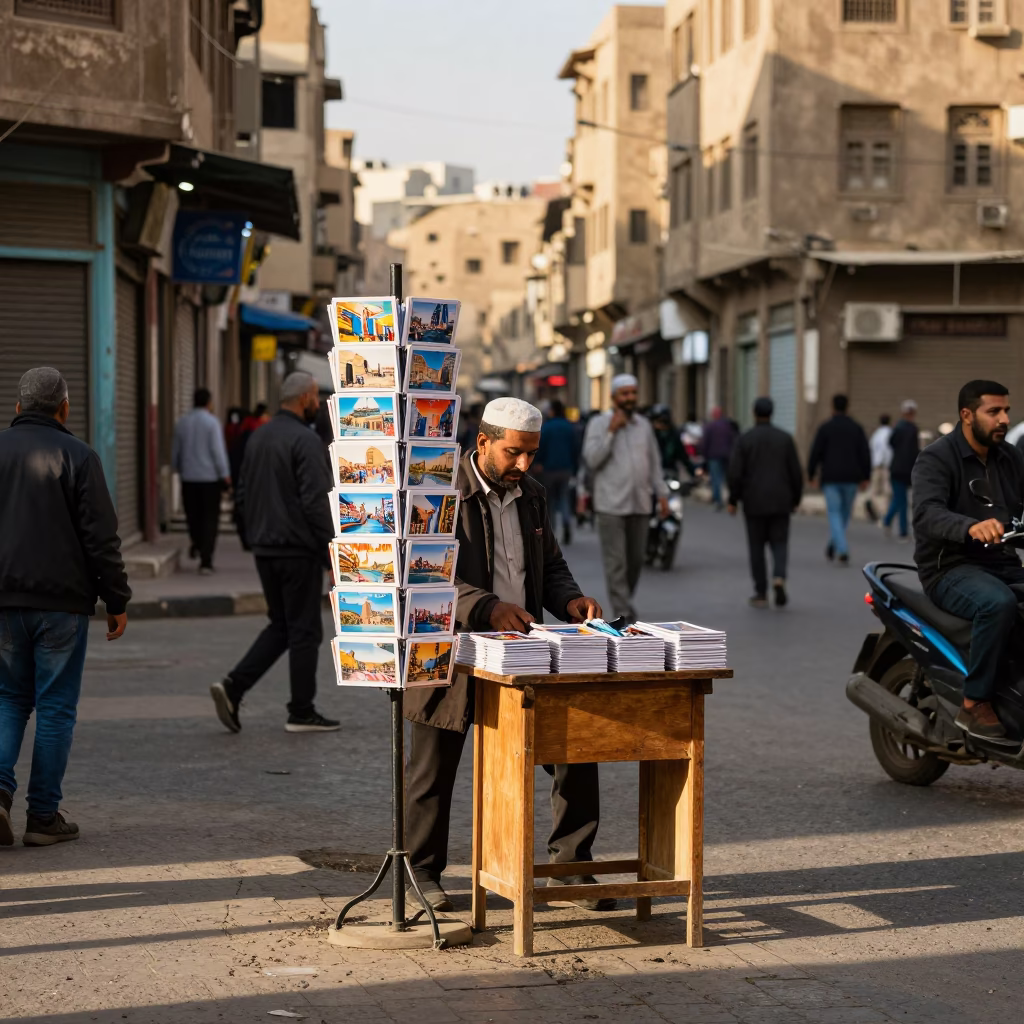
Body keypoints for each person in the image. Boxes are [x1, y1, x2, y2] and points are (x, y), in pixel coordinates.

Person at [405, 397, 607, 913]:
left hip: (521, 653)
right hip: (450, 651)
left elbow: (551, 564)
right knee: (432, 767)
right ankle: (421, 874)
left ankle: (570, 864)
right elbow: (427, 575)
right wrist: (487, 607)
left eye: (531, 455)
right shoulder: (442, 492)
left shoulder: (533, 495)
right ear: (483, 443)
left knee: (572, 750)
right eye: (514, 453)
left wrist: (570, 600)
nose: (523, 465)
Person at [0, 367, 130, 848]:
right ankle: (43, 817)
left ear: (17, 408)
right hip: (62, 605)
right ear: (65, 409)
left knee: (8, 698)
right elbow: (102, 538)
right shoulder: (79, 456)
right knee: (55, 708)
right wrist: (116, 599)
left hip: (4, 603)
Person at [210, 372, 339, 734]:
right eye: (315, 397)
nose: (318, 404)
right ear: (305, 399)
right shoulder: (307, 440)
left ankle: (233, 687)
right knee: (305, 631)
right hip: (297, 549)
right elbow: (315, 503)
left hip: (265, 547)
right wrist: (331, 549)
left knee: (282, 625)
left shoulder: (259, 436)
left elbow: (243, 492)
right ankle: (301, 710)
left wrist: (251, 535)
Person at [912, 380, 1024, 742]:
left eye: (1006, 411)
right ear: (967, 415)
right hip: (950, 568)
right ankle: (974, 703)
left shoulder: (1010, 458)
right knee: (998, 604)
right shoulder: (937, 457)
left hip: (1001, 563)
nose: (1003, 419)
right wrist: (971, 527)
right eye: (994, 412)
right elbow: (927, 513)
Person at [582, 375, 669, 621]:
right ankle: (624, 612)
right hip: (610, 505)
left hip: (640, 503)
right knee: (616, 563)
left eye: (633, 393)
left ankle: (624, 601)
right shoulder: (599, 424)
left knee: (635, 561)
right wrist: (611, 432)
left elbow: (654, 463)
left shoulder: (644, 425)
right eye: (625, 394)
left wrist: (661, 494)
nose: (630, 398)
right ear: (614, 397)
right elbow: (592, 459)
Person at [727, 397, 804, 609]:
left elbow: (735, 472)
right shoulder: (785, 439)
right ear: (772, 412)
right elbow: (796, 472)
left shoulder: (745, 439)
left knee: (756, 547)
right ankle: (779, 577)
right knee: (780, 543)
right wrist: (796, 498)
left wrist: (733, 499)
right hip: (781, 500)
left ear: (754, 412)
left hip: (753, 502)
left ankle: (761, 592)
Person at [172, 387, 230, 574]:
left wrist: (176, 468)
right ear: (209, 403)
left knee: (193, 516)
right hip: (210, 480)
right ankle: (206, 561)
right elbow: (217, 451)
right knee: (210, 519)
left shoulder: (182, 423)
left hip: (189, 478)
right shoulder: (212, 423)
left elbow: (176, 451)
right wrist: (225, 475)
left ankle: (197, 542)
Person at [807, 394, 871, 565]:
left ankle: (836, 545)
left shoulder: (825, 428)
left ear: (832, 407)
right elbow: (865, 453)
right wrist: (866, 476)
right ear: (847, 407)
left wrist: (811, 473)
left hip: (831, 478)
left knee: (834, 513)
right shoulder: (856, 428)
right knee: (844, 514)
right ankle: (840, 547)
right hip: (852, 478)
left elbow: (816, 452)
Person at [535, 399, 578, 545]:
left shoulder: (546, 427)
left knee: (550, 501)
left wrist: (538, 462)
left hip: (549, 469)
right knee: (564, 498)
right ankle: (567, 522)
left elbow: (540, 446)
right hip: (566, 468)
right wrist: (574, 467)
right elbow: (575, 448)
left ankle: (551, 531)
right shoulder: (569, 427)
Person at [883, 400, 920, 541]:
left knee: (899, 499)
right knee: (902, 501)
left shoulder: (898, 428)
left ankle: (887, 521)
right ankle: (903, 531)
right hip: (907, 470)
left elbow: (891, 443)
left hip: (896, 469)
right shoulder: (912, 429)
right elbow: (914, 451)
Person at [700, 407, 736, 510]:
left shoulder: (710, 426)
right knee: (725, 477)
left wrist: (704, 455)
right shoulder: (727, 426)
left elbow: (705, 442)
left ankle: (718, 500)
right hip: (726, 455)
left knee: (716, 478)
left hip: (714, 455)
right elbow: (732, 440)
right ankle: (729, 499)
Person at [865, 413, 892, 522]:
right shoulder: (891, 433)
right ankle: (883, 512)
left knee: (874, 491)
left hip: (876, 465)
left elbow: (871, 449)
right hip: (886, 466)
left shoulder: (876, 434)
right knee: (886, 491)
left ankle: (876, 509)